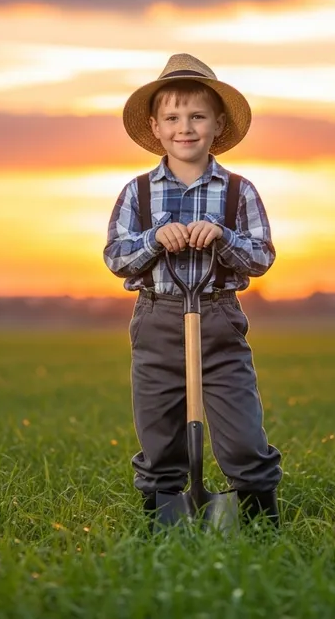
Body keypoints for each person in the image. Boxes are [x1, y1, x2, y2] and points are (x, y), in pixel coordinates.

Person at [103, 52, 282, 527]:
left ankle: (260, 522)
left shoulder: (238, 191)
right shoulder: (136, 193)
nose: (186, 127)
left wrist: (224, 238)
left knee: (242, 434)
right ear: (156, 127)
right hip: (157, 318)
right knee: (159, 433)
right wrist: (154, 238)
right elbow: (115, 257)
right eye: (173, 117)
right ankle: (161, 520)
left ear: (218, 124)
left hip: (218, 317)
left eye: (198, 116)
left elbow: (262, 256)